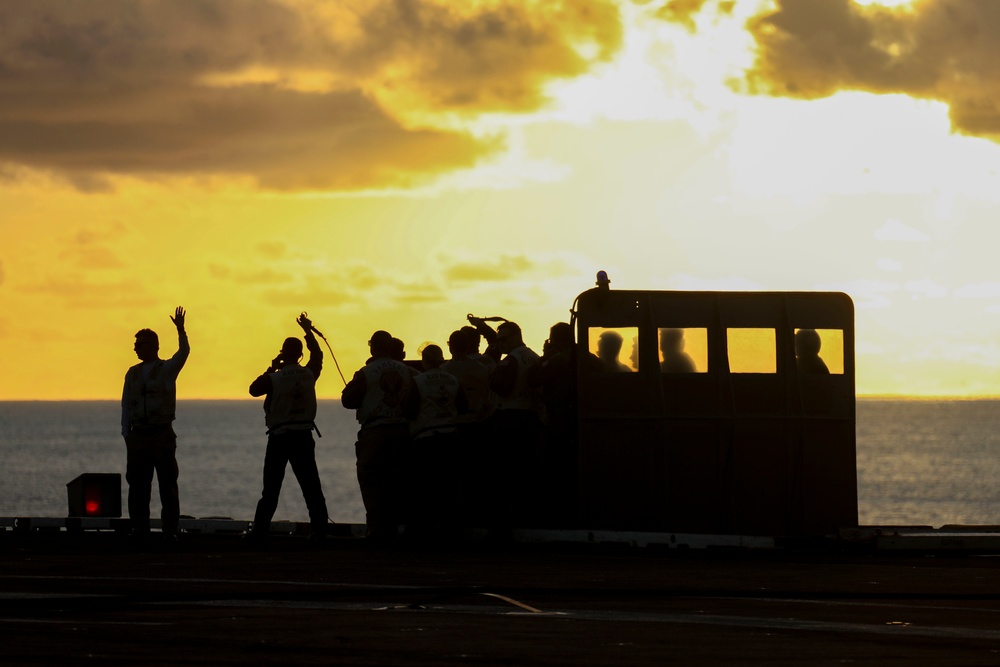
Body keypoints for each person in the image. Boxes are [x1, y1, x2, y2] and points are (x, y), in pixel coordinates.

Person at [245, 314, 329, 545]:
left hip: (280, 437)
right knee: (311, 487)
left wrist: (272, 367)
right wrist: (309, 332)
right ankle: (320, 532)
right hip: (303, 436)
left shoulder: (276, 378)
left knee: (270, 490)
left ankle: (259, 534)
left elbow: (253, 389)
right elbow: (318, 355)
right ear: (300, 354)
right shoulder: (309, 373)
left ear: (283, 353)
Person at [121, 306, 189, 543]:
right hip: (138, 435)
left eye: (139, 344)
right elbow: (126, 405)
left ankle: (170, 530)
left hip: (161, 433)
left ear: (153, 346)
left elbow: (184, 352)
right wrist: (126, 434)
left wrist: (181, 330)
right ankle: (139, 529)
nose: (135, 348)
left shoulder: (167, 369)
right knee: (137, 486)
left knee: (167, 484)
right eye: (135, 345)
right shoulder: (131, 373)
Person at [342, 330, 413, 540]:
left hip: (375, 433)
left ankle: (377, 531)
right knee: (400, 482)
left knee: (371, 481)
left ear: (372, 347)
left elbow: (347, 400)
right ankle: (400, 530)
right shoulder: (408, 371)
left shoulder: (366, 372)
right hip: (403, 432)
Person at [487, 320, 544, 529]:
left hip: (511, 418)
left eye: (503, 339)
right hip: (532, 418)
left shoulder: (511, 360)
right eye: (498, 340)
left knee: (503, 476)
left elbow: (502, 389)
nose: (500, 344)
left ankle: (502, 527)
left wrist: (492, 378)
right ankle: (525, 522)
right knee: (525, 474)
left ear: (516, 337)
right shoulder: (535, 357)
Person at [404, 344, 468, 527]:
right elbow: (464, 407)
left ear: (423, 360)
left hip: (426, 440)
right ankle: (448, 529)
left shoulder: (418, 381)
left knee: (425, 488)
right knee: (448, 488)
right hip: (450, 439)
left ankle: (427, 531)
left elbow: (409, 411)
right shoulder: (453, 380)